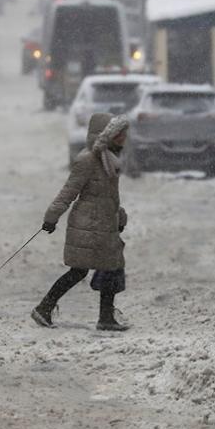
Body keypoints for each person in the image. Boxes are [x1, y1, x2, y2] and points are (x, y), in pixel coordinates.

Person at [32, 113, 131, 331]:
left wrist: (120, 217)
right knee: (82, 270)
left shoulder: (109, 160)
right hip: (88, 225)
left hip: (104, 225)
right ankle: (45, 308)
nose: (124, 137)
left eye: (124, 133)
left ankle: (104, 317)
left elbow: (109, 197)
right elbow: (69, 191)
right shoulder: (88, 160)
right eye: (119, 133)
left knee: (111, 267)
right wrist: (51, 217)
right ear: (107, 135)